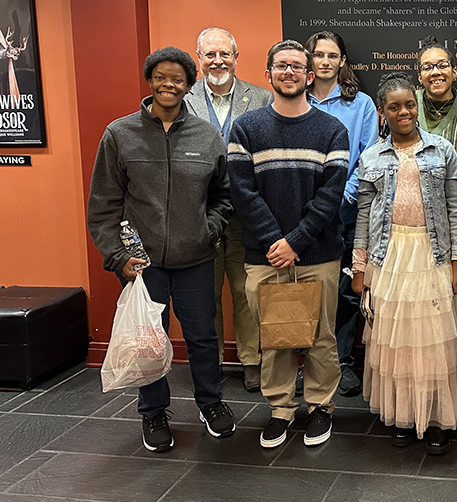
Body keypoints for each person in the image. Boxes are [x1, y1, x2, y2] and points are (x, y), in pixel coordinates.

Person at [87, 46, 236, 452]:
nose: (169, 84)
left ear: (190, 85)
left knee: (203, 337)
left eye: (178, 79)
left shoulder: (206, 136)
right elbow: (102, 204)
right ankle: (152, 411)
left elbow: (223, 195)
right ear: (150, 81)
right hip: (142, 263)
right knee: (147, 337)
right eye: (161, 77)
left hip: (197, 258)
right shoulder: (120, 134)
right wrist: (118, 257)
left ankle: (211, 403)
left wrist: (210, 231)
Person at [228, 39, 350, 449]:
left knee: (320, 336)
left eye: (298, 67)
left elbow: (331, 196)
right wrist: (275, 242)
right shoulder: (246, 128)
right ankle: (280, 407)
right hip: (265, 256)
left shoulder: (332, 130)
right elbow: (243, 193)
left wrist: (295, 241)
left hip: (318, 254)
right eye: (282, 66)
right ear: (269, 75)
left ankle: (320, 406)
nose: (290, 72)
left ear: (310, 76)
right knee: (274, 335)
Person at [352, 73, 457, 456]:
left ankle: (435, 418)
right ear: (382, 113)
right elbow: (364, 216)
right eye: (394, 107)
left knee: (433, 342)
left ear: (416, 106)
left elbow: (456, 207)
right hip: (390, 259)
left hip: (432, 255)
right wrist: (360, 267)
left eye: (409, 104)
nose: (404, 112)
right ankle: (404, 416)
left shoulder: (442, 150)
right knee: (398, 344)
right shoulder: (372, 156)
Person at [186, 27, 273, 392]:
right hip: (198, 215)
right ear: (199, 59)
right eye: (210, 55)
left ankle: (252, 361)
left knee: (246, 290)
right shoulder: (182, 99)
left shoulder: (262, 98)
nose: (218, 61)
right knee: (204, 295)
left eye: (224, 54)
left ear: (236, 58)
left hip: (245, 215)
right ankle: (212, 362)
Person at [305, 31, 379, 398]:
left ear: (343, 61)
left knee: (349, 292)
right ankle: (308, 363)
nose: (325, 62)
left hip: (347, 214)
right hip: (301, 219)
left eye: (332, 55)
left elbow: (366, 161)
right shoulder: (295, 100)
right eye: (318, 55)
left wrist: (335, 204)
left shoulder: (361, 104)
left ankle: (342, 362)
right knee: (308, 289)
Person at [413, 37, 457, 250]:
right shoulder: (406, 105)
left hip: (456, 223)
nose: (435, 72)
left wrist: (443, 209)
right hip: (407, 220)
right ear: (420, 76)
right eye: (427, 67)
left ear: (454, 72)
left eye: (442, 65)